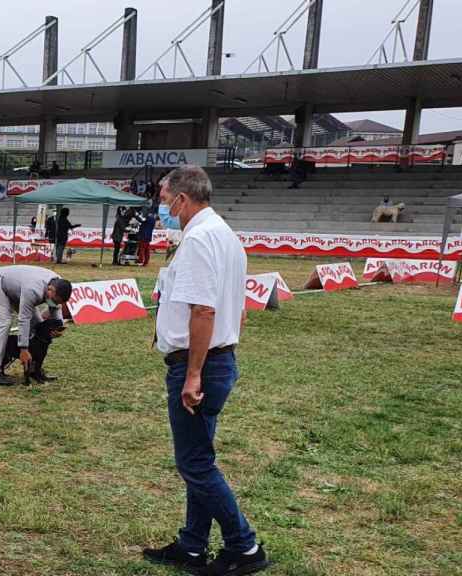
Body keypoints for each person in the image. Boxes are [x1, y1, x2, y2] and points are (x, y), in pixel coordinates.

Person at [143, 166, 268, 575]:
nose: (162, 208)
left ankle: (243, 546)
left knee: (194, 464)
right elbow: (238, 308)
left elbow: (203, 310)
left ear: (181, 199)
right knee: (199, 458)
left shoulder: (197, 239)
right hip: (218, 358)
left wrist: (194, 372)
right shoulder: (227, 237)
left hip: (199, 365)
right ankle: (192, 545)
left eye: (164, 200)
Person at [0, 265, 72, 386]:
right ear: (50, 290)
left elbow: (54, 307)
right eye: (55, 300)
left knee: (39, 326)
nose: (54, 303)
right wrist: (23, 349)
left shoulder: (58, 285)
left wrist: (59, 327)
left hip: (18, 288)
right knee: (4, 322)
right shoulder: (33, 290)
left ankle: (34, 369)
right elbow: (24, 320)